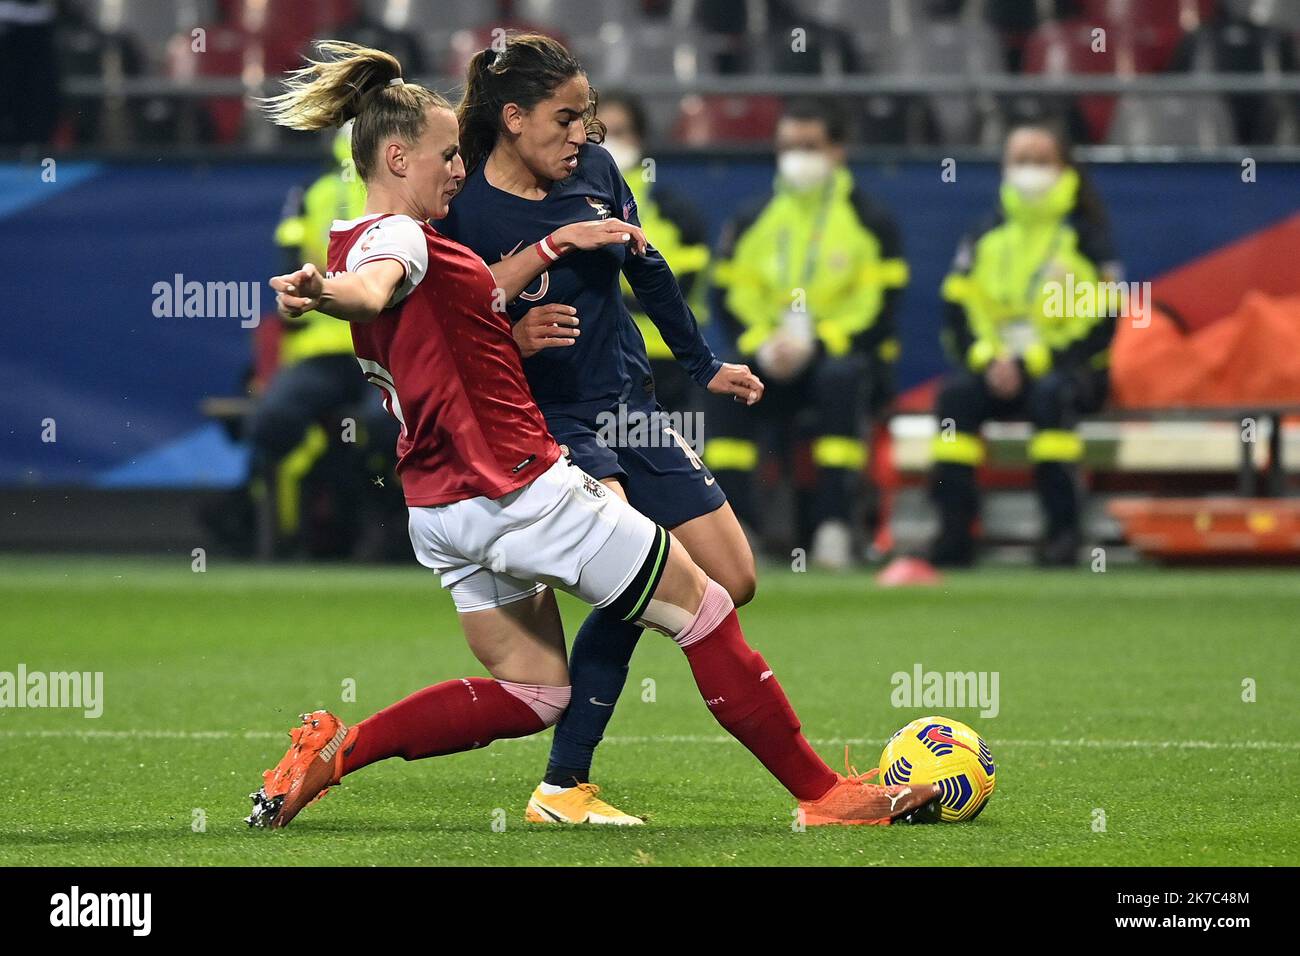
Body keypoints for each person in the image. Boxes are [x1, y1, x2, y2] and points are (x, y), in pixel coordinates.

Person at [249, 41, 940, 831]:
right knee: (703, 607)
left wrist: (536, 258)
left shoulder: (357, 231)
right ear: (398, 157)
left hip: (441, 512)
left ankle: (337, 751)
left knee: (536, 690)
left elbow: (420, 308)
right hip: (520, 489)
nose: (457, 170)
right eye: (446, 156)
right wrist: (328, 294)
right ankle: (826, 797)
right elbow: (375, 288)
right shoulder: (400, 240)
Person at [437, 34, 766, 826]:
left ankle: (565, 780)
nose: (583, 133)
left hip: (631, 405)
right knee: (634, 572)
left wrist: (702, 364)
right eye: (566, 117)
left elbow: (646, 266)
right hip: (549, 421)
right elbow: (448, 329)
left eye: (585, 116)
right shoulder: (464, 210)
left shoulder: (595, 173)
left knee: (733, 579)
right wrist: (512, 334)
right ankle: (565, 785)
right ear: (513, 119)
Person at [706, 99, 907, 568]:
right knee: (724, 385)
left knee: (840, 379)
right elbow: (729, 296)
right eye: (789, 146)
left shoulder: (871, 222)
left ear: (837, 151)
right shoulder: (753, 217)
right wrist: (762, 342)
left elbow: (879, 308)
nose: (798, 157)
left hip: (837, 355)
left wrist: (817, 342)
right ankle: (739, 529)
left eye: (809, 146)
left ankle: (833, 526)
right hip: (769, 356)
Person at [929, 122, 1120, 567]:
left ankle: (1061, 533)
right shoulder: (984, 235)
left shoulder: (1087, 237)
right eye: (1020, 160)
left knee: (1053, 396)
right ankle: (954, 533)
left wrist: (1034, 360)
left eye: (1040, 160)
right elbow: (958, 311)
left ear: (1063, 167)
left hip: (1067, 370)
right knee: (955, 398)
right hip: (996, 368)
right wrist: (988, 358)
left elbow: (1101, 324)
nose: (1028, 170)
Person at [598, 90, 712, 415]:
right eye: (600, 134)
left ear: (640, 139)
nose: (608, 144)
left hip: (663, 357)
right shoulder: (561, 205)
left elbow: (680, 287)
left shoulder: (675, 211)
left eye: (619, 133)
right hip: (594, 356)